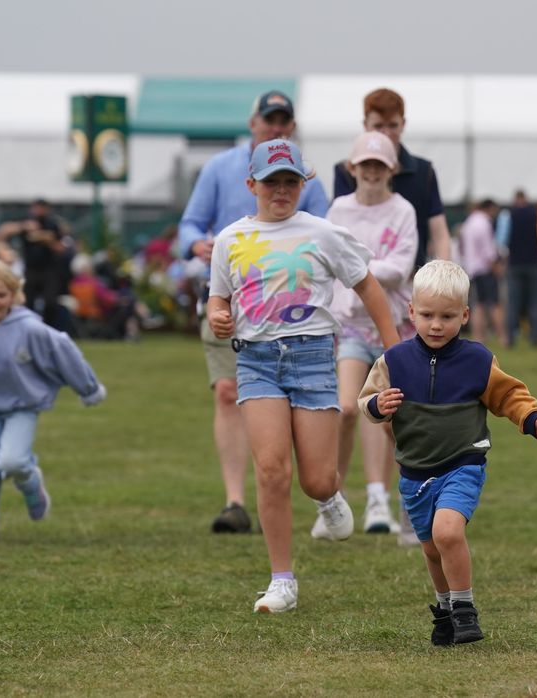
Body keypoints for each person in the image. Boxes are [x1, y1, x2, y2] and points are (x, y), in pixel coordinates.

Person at [207, 139, 399, 613]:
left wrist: (397, 350)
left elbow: (368, 286)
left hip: (313, 358)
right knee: (272, 470)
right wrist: (217, 315)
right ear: (251, 184)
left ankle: (328, 498)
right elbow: (218, 297)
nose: (281, 190)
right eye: (271, 182)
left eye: (291, 181)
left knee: (316, 479)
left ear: (303, 184)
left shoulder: (323, 233)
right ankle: (281, 580)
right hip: (255, 362)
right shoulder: (230, 240)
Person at [358, 260, 537, 645]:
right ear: (412, 312)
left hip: (462, 465)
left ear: (465, 315)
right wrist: (377, 406)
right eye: (428, 315)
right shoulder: (394, 361)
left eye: (448, 316)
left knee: (447, 531)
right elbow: (365, 400)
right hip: (414, 473)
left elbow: (509, 396)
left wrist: (533, 420)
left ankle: (465, 609)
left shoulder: (478, 360)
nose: (437, 325)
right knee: (433, 549)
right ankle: (445, 611)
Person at [179, 90, 329, 534]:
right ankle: (235, 500)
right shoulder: (220, 168)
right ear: (253, 123)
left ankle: (283, 490)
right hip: (229, 300)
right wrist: (196, 244)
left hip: (292, 314)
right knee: (227, 391)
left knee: (291, 405)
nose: (276, 127)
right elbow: (190, 222)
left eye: (284, 121)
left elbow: (325, 236)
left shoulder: (308, 180)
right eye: (269, 120)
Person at [0, 259, 106, 543]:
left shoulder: (29, 327)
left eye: (1, 294)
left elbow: (64, 351)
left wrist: (88, 388)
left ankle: (32, 484)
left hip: (25, 405)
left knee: (13, 461)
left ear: (13, 296)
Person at [324, 131, 417, 536]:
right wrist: (368, 268)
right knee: (346, 409)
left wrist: (357, 267)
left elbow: (401, 267)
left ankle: (382, 499)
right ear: (353, 169)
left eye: (379, 165)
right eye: (366, 165)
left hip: (393, 326)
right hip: (349, 325)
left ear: (391, 170)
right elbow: (327, 263)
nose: (372, 172)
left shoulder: (402, 210)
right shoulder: (338, 211)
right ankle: (332, 500)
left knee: (390, 417)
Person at [333, 88, 451, 270]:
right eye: (378, 126)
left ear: (403, 124)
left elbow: (439, 233)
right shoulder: (345, 172)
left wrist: (443, 277)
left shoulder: (423, 171)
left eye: (393, 125)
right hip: (356, 280)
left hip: (411, 277)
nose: (386, 133)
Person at [0, 199, 66, 328]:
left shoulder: (52, 224)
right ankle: (29, 327)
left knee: (50, 302)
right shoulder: (27, 223)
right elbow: (3, 232)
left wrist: (47, 240)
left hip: (49, 270)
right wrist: (23, 226)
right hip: (30, 270)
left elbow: (61, 248)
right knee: (28, 301)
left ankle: (47, 327)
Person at [458, 199, 506, 345]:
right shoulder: (484, 223)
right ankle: (502, 336)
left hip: (471, 269)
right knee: (495, 304)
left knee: (477, 304)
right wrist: (495, 266)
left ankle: (478, 336)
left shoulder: (468, 223)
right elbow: (488, 250)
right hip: (485, 269)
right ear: (489, 208)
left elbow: (461, 247)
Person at [501, 190, 537, 347]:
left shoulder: (508, 216)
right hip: (533, 263)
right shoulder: (536, 215)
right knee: (534, 302)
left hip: (515, 264)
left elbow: (502, 241)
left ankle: (510, 338)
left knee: (513, 303)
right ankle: (535, 337)